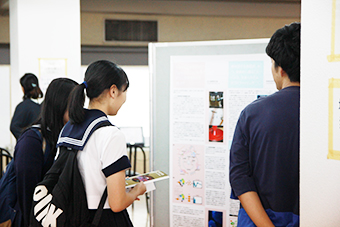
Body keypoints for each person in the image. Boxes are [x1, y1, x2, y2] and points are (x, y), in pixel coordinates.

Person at [229, 22, 300, 227]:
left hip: (259, 220)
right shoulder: (326, 114)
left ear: (281, 69)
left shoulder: (252, 113)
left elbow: (240, 177)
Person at [58, 60, 146, 226]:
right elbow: (117, 203)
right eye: (124, 91)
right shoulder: (111, 134)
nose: (125, 98)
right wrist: (136, 191)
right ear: (113, 91)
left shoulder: (68, 128)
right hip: (102, 219)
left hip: (71, 216)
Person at [12, 78, 78, 227]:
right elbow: (27, 197)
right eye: (74, 107)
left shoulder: (64, 137)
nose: (79, 113)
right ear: (60, 106)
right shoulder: (31, 142)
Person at [10, 73, 43, 140]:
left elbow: (14, 127)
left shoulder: (23, 106)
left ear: (23, 88)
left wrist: (26, 138)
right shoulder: (45, 104)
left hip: (27, 147)